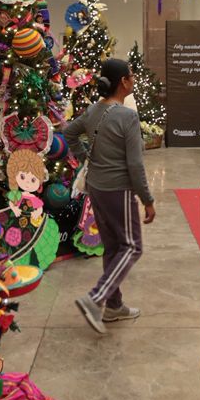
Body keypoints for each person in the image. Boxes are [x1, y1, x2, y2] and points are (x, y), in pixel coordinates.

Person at [60, 58, 155, 334]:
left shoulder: (92, 111)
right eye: (132, 76)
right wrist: (147, 199)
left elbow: (68, 133)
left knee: (113, 247)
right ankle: (96, 298)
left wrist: (85, 156)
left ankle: (114, 306)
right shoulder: (128, 116)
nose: (134, 79)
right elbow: (135, 165)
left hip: (97, 188)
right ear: (123, 82)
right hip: (118, 190)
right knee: (132, 246)